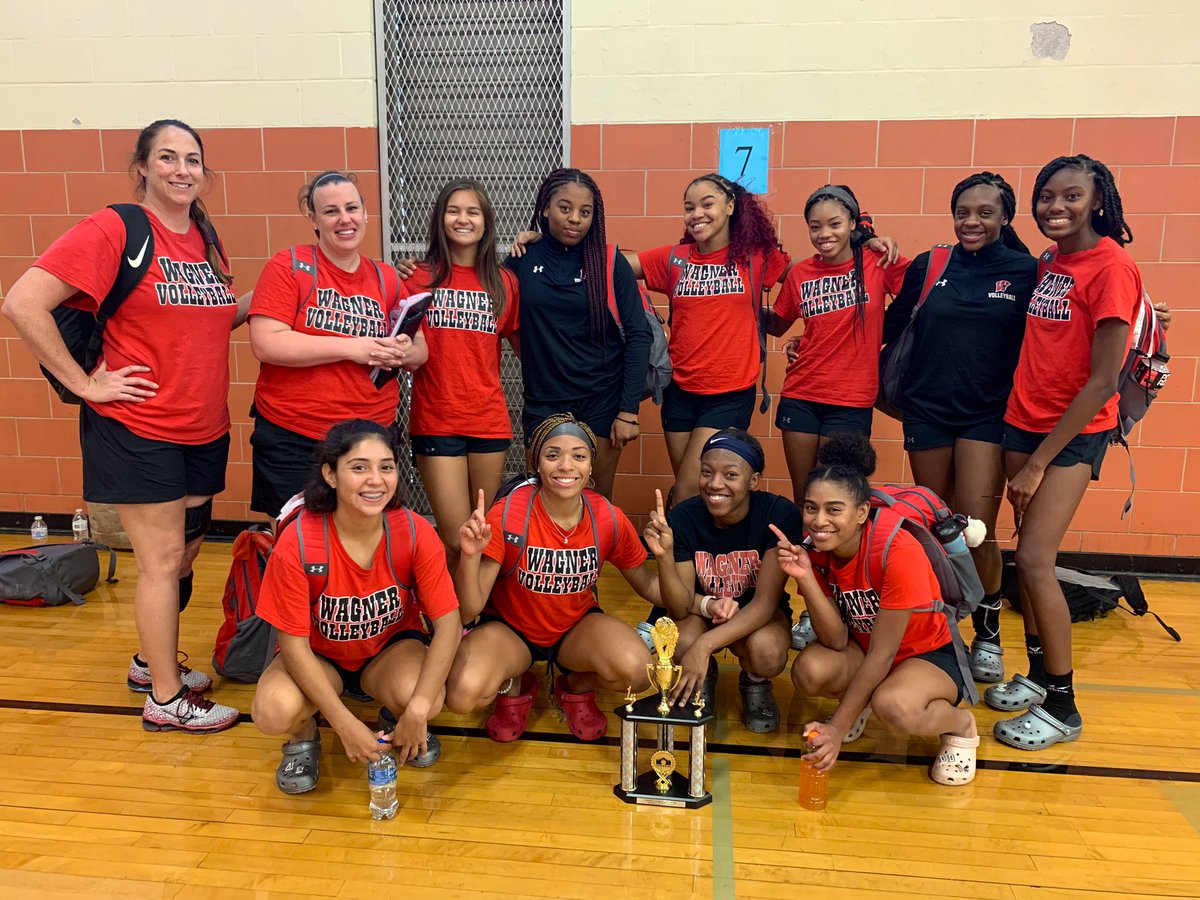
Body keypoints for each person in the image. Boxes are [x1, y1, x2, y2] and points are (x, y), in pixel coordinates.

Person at [2, 119, 245, 733]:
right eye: (167, 157)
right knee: (162, 560)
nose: (181, 169)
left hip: (203, 425)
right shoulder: (116, 227)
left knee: (186, 552)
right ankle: (165, 700)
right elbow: (23, 302)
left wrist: (283, 299)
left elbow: (208, 320)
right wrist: (87, 385)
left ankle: (149, 660)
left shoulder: (204, 237)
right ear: (142, 165)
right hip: (138, 425)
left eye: (192, 158)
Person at [987, 155, 1145, 750]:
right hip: (1022, 423)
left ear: (1098, 200)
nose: (1056, 207)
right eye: (1047, 196)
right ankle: (1033, 674)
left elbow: (1104, 381)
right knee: (1026, 559)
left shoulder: (1111, 266)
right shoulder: (1053, 259)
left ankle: (1062, 705)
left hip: (1070, 437)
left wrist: (1036, 463)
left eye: (1071, 196)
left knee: (1033, 561)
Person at [878, 172, 1037, 685]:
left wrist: (1153, 316)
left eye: (984, 212)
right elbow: (885, 326)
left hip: (987, 414)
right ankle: (942, 623)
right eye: (963, 211)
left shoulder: (1027, 271)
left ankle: (987, 628)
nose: (972, 221)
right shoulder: (932, 265)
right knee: (931, 525)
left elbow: (1069, 323)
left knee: (974, 528)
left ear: (1005, 217)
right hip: (927, 409)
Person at [250, 420, 461, 793]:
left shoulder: (413, 531)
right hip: (320, 657)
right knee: (272, 710)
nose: (375, 480)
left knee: (427, 698)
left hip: (388, 651)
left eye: (386, 466)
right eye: (359, 467)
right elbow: (294, 645)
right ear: (330, 474)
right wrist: (345, 725)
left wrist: (417, 709)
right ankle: (303, 736)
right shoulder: (300, 540)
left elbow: (448, 623)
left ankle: (398, 717)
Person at [446, 413, 659, 743]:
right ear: (537, 464)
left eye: (579, 456)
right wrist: (470, 558)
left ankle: (575, 684)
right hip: (511, 631)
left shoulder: (607, 517)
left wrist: (680, 570)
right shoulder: (509, 513)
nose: (566, 466)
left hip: (575, 627)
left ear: (591, 468)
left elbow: (647, 585)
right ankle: (514, 682)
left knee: (637, 670)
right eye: (552, 454)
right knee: (461, 694)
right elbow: (467, 611)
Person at [781, 434, 979, 786]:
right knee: (811, 669)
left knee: (895, 707)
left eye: (834, 510)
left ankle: (960, 724)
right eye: (811, 507)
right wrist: (807, 578)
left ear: (861, 513)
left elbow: (884, 654)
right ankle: (864, 699)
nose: (819, 520)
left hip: (928, 654)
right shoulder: (815, 552)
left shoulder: (896, 550)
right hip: (867, 648)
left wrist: (836, 729)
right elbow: (837, 638)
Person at [247, 170, 427, 519]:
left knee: (367, 543)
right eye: (331, 211)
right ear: (312, 218)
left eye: (352, 208)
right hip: (297, 435)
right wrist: (352, 347)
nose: (344, 219)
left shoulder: (385, 277)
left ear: (365, 214)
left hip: (371, 437)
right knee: (296, 543)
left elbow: (421, 351)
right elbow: (266, 343)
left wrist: (403, 351)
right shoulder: (290, 265)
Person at [626, 174, 791, 503]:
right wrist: (543, 244)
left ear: (730, 206)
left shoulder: (756, 258)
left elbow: (811, 275)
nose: (696, 213)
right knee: (694, 494)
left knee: (688, 489)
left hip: (729, 393)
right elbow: (611, 266)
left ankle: (677, 548)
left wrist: (865, 240)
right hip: (680, 390)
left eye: (707, 204)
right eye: (689, 207)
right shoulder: (675, 258)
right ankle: (700, 553)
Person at [503, 169, 651, 499]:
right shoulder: (522, 260)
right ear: (545, 208)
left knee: (597, 501)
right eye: (565, 208)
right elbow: (501, 319)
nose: (575, 219)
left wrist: (628, 411)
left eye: (585, 212)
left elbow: (639, 335)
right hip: (544, 402)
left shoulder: (610, 262)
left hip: (602, 402)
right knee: (546, 499)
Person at [643, 429, 801, 733]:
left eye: (730, 474)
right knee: (679, 641)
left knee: (767, 652)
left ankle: (755, 681)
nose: (715, 484)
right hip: (700, 613)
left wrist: (704, 646)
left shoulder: (778, 514)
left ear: (753, 480)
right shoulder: (685, 517)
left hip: (756, 615)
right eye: (706, 472)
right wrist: (663, 557)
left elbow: (765, 604)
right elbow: (677, 606)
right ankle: (704, 676)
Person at [769, 184, 910, 499]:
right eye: (815, 227)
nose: (824, 234)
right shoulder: (800, 274)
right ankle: (801, 550)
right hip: (801, 394)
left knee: (837, 495)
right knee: (804, 494)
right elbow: (778, 325)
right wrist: (737, 299)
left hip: (851, 400)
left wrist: (873, 239)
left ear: (851, 224)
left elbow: (922, 300)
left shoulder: (878, 262)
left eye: (834, 224)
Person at [406, 178, 519, 566]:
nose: (463, 219)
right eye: (454, 211)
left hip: (489, 421)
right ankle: (454, 623)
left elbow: (527, 350)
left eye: (473, 212)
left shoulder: (504, 283)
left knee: (485, 537)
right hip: (437, 419)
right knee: (455, 539)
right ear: (440, 219)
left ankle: (480, 619)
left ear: (486, 222)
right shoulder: (417, 278)